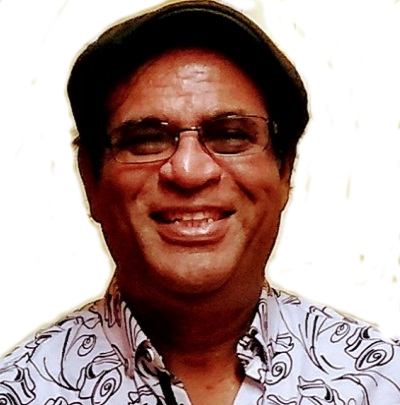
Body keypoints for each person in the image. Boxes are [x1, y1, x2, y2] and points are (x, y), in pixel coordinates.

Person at [0, 1, 398, 404]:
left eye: (230, 136)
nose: (189, 171)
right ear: (90, 179)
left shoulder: (382, 382)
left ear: (285, 172)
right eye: (146, 140)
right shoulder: (20, 392)